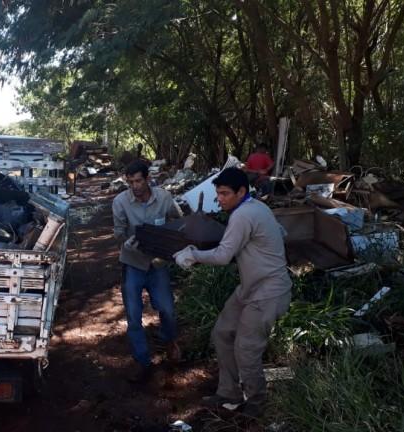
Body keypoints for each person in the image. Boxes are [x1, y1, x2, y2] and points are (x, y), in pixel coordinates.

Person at [173, 167, 291, 418]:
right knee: (222, 333)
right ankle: (229, 392)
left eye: (225, 193)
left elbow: (224, 255)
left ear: (242, 191)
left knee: (246, 348)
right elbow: (281, 232)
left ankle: (256, 402)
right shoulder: (257, 207)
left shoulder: (244, 214)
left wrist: (192, 254)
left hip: (268, 292)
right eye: (218, 194)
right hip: (251, 287)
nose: (221, 199)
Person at [112, 160, 183, 383]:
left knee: (167, 309)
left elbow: (177, 219)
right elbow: (118, 232)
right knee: (134, 315)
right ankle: (142, 360)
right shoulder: (120, 202)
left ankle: (168, 339)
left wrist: (169, 240)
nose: (135, 185)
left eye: (139, 180)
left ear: (148, 179)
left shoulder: (163, 197)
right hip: (133, 262)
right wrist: (126, 242)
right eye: (130, 181)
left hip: (158, 263)